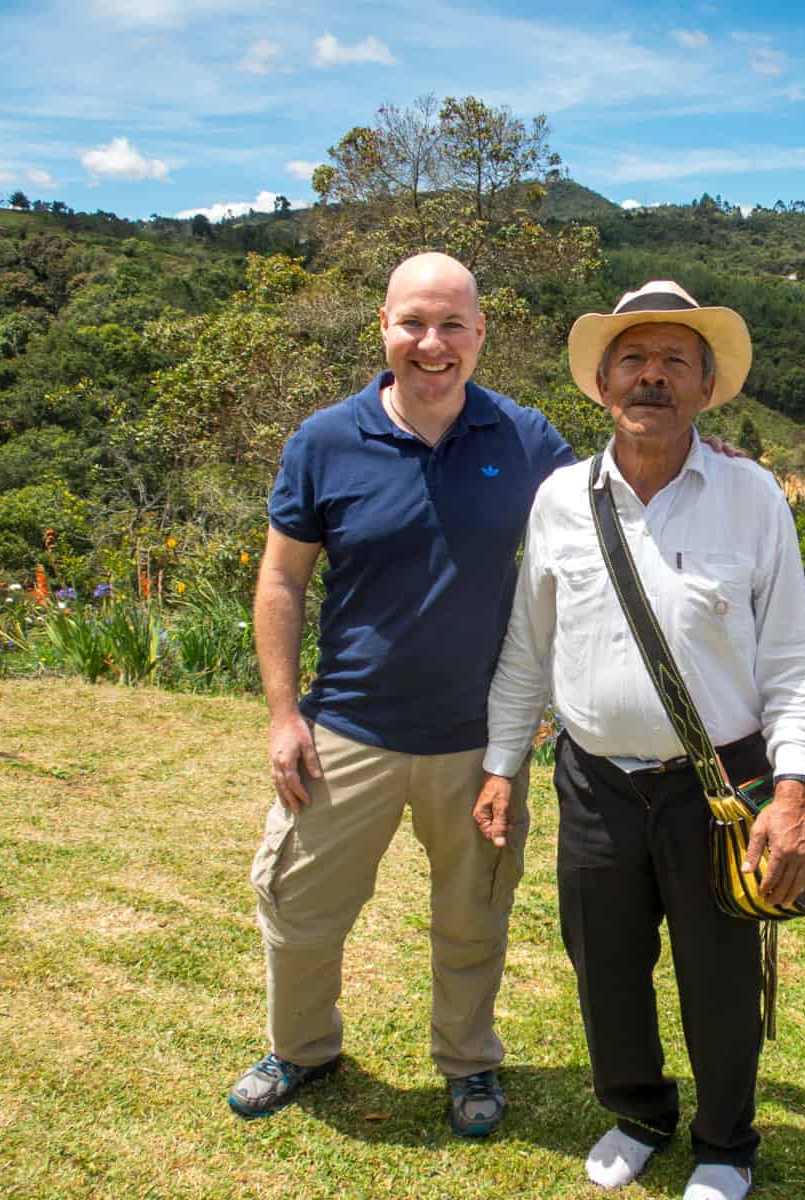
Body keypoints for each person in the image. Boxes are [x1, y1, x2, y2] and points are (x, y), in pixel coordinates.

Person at [474, 280, 805, 1200]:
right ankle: (638, 1111)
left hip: (717, 786)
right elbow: (527, 645)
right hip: (592, 780)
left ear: (707, 388)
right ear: (601, 384)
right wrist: (502, 765)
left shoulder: (752, 500)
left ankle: (724, 1142)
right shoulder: (558, 500)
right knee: (604, 961)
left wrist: (792, 793)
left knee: (719, 973)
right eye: (632, 359)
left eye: (676, 361)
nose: (652, 378)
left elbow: (791, 662)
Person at [226, 252, 574, 1136]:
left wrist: (702, 448)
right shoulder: (324, 441)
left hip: (479, 744)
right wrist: (281, 714)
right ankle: (302, 1048)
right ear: (383, 328)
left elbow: (611, 510)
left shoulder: (526, 441)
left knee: (473, 918)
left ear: (481, 335)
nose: (433, 343)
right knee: (300, 908)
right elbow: (280, 583)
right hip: (347, 729)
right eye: (414, 322)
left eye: (452, 324)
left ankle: (468, 1065)